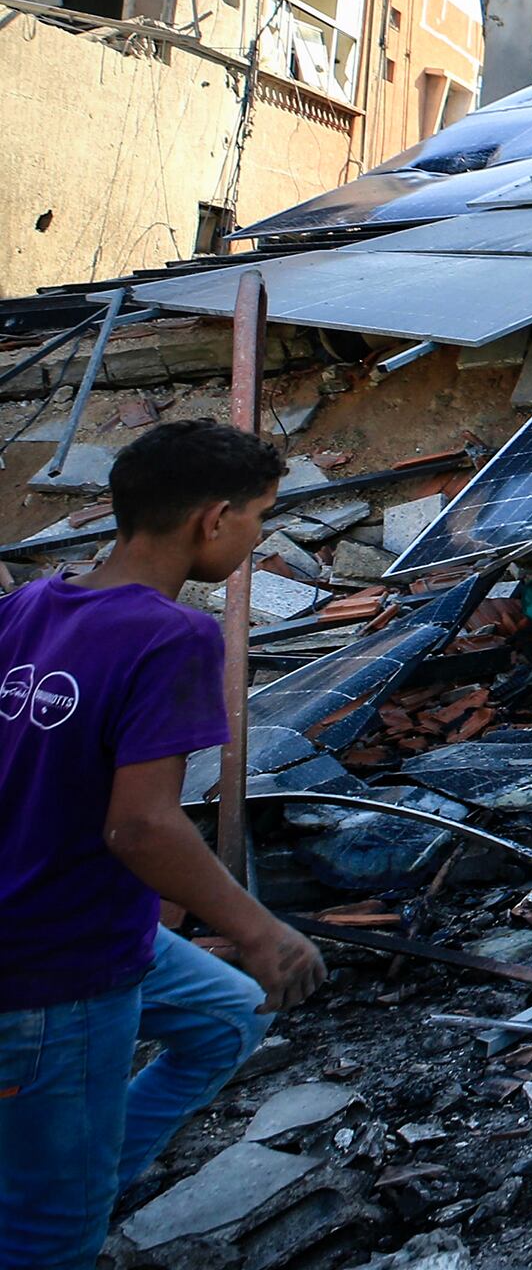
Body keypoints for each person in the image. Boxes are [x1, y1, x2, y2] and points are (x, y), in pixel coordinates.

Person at [0, 420, 328, 1270]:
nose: (260, 536)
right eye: (260, 516)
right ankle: (57, 1213)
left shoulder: (34, 604)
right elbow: (140, 824)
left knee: (225, 1018)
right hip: (59, 963)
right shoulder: (172, 635)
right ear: (212, 520)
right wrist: (261, 929)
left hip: (59, 918)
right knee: (49, 1243)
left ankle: (76, 1178)